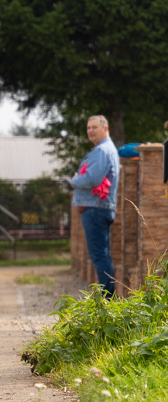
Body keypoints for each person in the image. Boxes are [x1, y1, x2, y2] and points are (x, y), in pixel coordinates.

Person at [71, 115, 120, 298]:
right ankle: (108, 299)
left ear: (105, 128)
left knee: (99, 256)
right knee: (102, 255)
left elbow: (93, 178)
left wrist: (74, 179)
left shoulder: (102, 151)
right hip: (98, 208)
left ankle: (108, 301)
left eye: (94, 127)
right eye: (88, 127)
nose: (90, 130)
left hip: (96, 209)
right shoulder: (103, 149)